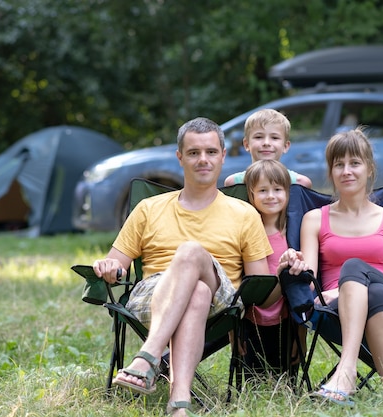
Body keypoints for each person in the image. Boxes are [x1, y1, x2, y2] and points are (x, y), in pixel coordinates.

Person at [92, 117, 273, 416]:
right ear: (180, 157)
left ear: (223, 155)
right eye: (193, 152)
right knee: (197, 292)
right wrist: (107, 266)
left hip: (222, 297)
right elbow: (116, 262)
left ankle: (147, 358)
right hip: (153, 294)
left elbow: (260, 282)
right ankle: (179, 403)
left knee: (191, 253)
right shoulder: (149, 208)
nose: (203, 160)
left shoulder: (244, 213)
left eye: (211, 152)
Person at [299, 127, 383, 405]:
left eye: (355, 163)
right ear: (331, 171)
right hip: (334, 313)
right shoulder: (314, 219)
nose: (347, 171)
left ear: (369, 168)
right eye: (339, 164)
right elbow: (309, 278)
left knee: (355, 268)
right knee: (374, 294)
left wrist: (342, 289)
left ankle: (346, 371)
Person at [242, 159, 309, 378]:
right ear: (251, 195)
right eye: (262, 190)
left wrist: (301, 337)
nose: (271, 195)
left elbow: (302, 290)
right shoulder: (246, 232)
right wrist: (234, 335)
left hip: (287, 321)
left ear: (288, 193)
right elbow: (236, 283)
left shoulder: (295, 233)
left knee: (286, 380)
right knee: (255, 382)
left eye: (277, 189)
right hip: (252, 321)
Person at [224, 108, 312, 188]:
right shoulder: (234, 183)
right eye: (258, 137)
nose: (266, 143)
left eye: (274, 138)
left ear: (285, 146)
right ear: (246, 145)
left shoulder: (299, 183)